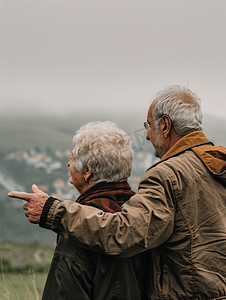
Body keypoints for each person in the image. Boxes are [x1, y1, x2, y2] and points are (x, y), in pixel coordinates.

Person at [9, 85, 226, 299]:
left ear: (165, 125)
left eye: (148, 125)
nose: (148, 136)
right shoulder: (218, 164)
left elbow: (124, 233)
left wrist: (52, 211)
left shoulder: (169, 175)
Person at [11, 121, 147, 300]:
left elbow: (65, 292)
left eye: (73, 158)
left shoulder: (79, 227)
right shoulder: (142, 213)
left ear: (88, 170)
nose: (69, 163)